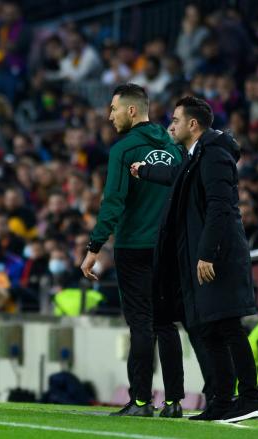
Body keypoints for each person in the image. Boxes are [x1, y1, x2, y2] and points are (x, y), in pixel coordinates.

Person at [131, 96, 258, 422]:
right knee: (210, 330)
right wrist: (146, 171)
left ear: (193, 124)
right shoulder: (198, 156)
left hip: (217, 258)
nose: (171, 126)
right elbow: (177, 177)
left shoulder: (215, 155)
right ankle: (222, 401)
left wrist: (207, 253)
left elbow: (222, 208)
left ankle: (250, 399)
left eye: (175, 120)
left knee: (228, 326)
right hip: (201, 257)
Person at [80, 84, 185, 417]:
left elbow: (113, 201)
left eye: (112, 109)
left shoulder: (123, 150)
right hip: (168, 248)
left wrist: (95, 246)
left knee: (141, 325)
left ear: (131, 110)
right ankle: (174, 402)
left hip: (134, 247)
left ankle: (140, 401)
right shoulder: (175, 147)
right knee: (167, 324)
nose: (108, 116)